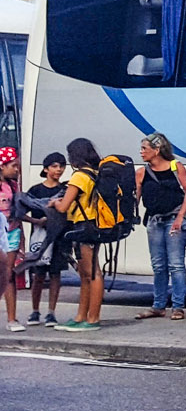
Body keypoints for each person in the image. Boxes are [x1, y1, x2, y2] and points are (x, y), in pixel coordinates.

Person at [134, 132, 186, 322]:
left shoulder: (175, 167)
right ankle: (158, 305)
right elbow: (135, 199)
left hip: (173, 219)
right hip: (154, 220)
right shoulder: (142, 172)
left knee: (176, 264)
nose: (141, 152)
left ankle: (178, 306)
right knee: (158, 265)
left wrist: (180, 217)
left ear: (157, 149)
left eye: (145, 148)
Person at [48, 139, 105, 332]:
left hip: (84, 225)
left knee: (92, 273)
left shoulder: (80, 176)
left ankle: (92, 318)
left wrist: (55, 203)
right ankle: (82, 316)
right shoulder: (95, 172)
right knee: (85, 273)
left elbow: (64, 206)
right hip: (93, 224)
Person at [24, 153, 67, 328]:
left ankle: (51, 312)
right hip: (40, 237)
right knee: (39, 275)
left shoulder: (66, 189)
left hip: (59, 236)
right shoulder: (35, 190)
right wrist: (37, 222)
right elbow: (21, 211)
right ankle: (35, 310)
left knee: (56, 274)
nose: (59, 170)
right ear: (46, 168)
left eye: (62, 166)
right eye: (55, 166)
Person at [0, 147, 22, 331]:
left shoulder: (14, 186)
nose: (17, 169)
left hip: (12, 231)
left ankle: (12, 318)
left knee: (9, 274)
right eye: (13, 166)